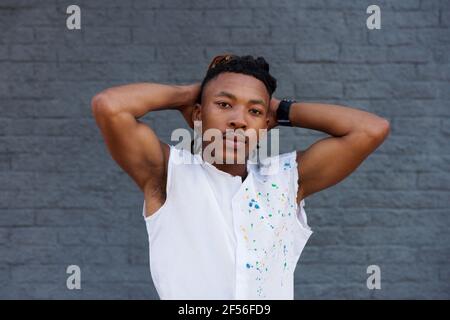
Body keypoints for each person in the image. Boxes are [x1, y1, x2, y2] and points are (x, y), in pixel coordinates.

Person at [91, 54, 390, 299]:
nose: (238, 120)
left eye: (254, 112)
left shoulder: (285, 181)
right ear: (198, 114)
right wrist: (190, 95)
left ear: (267, 124)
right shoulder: (169, 173)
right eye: (224, 105)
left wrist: (277, 109)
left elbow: (371, 129)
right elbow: (110, 106)